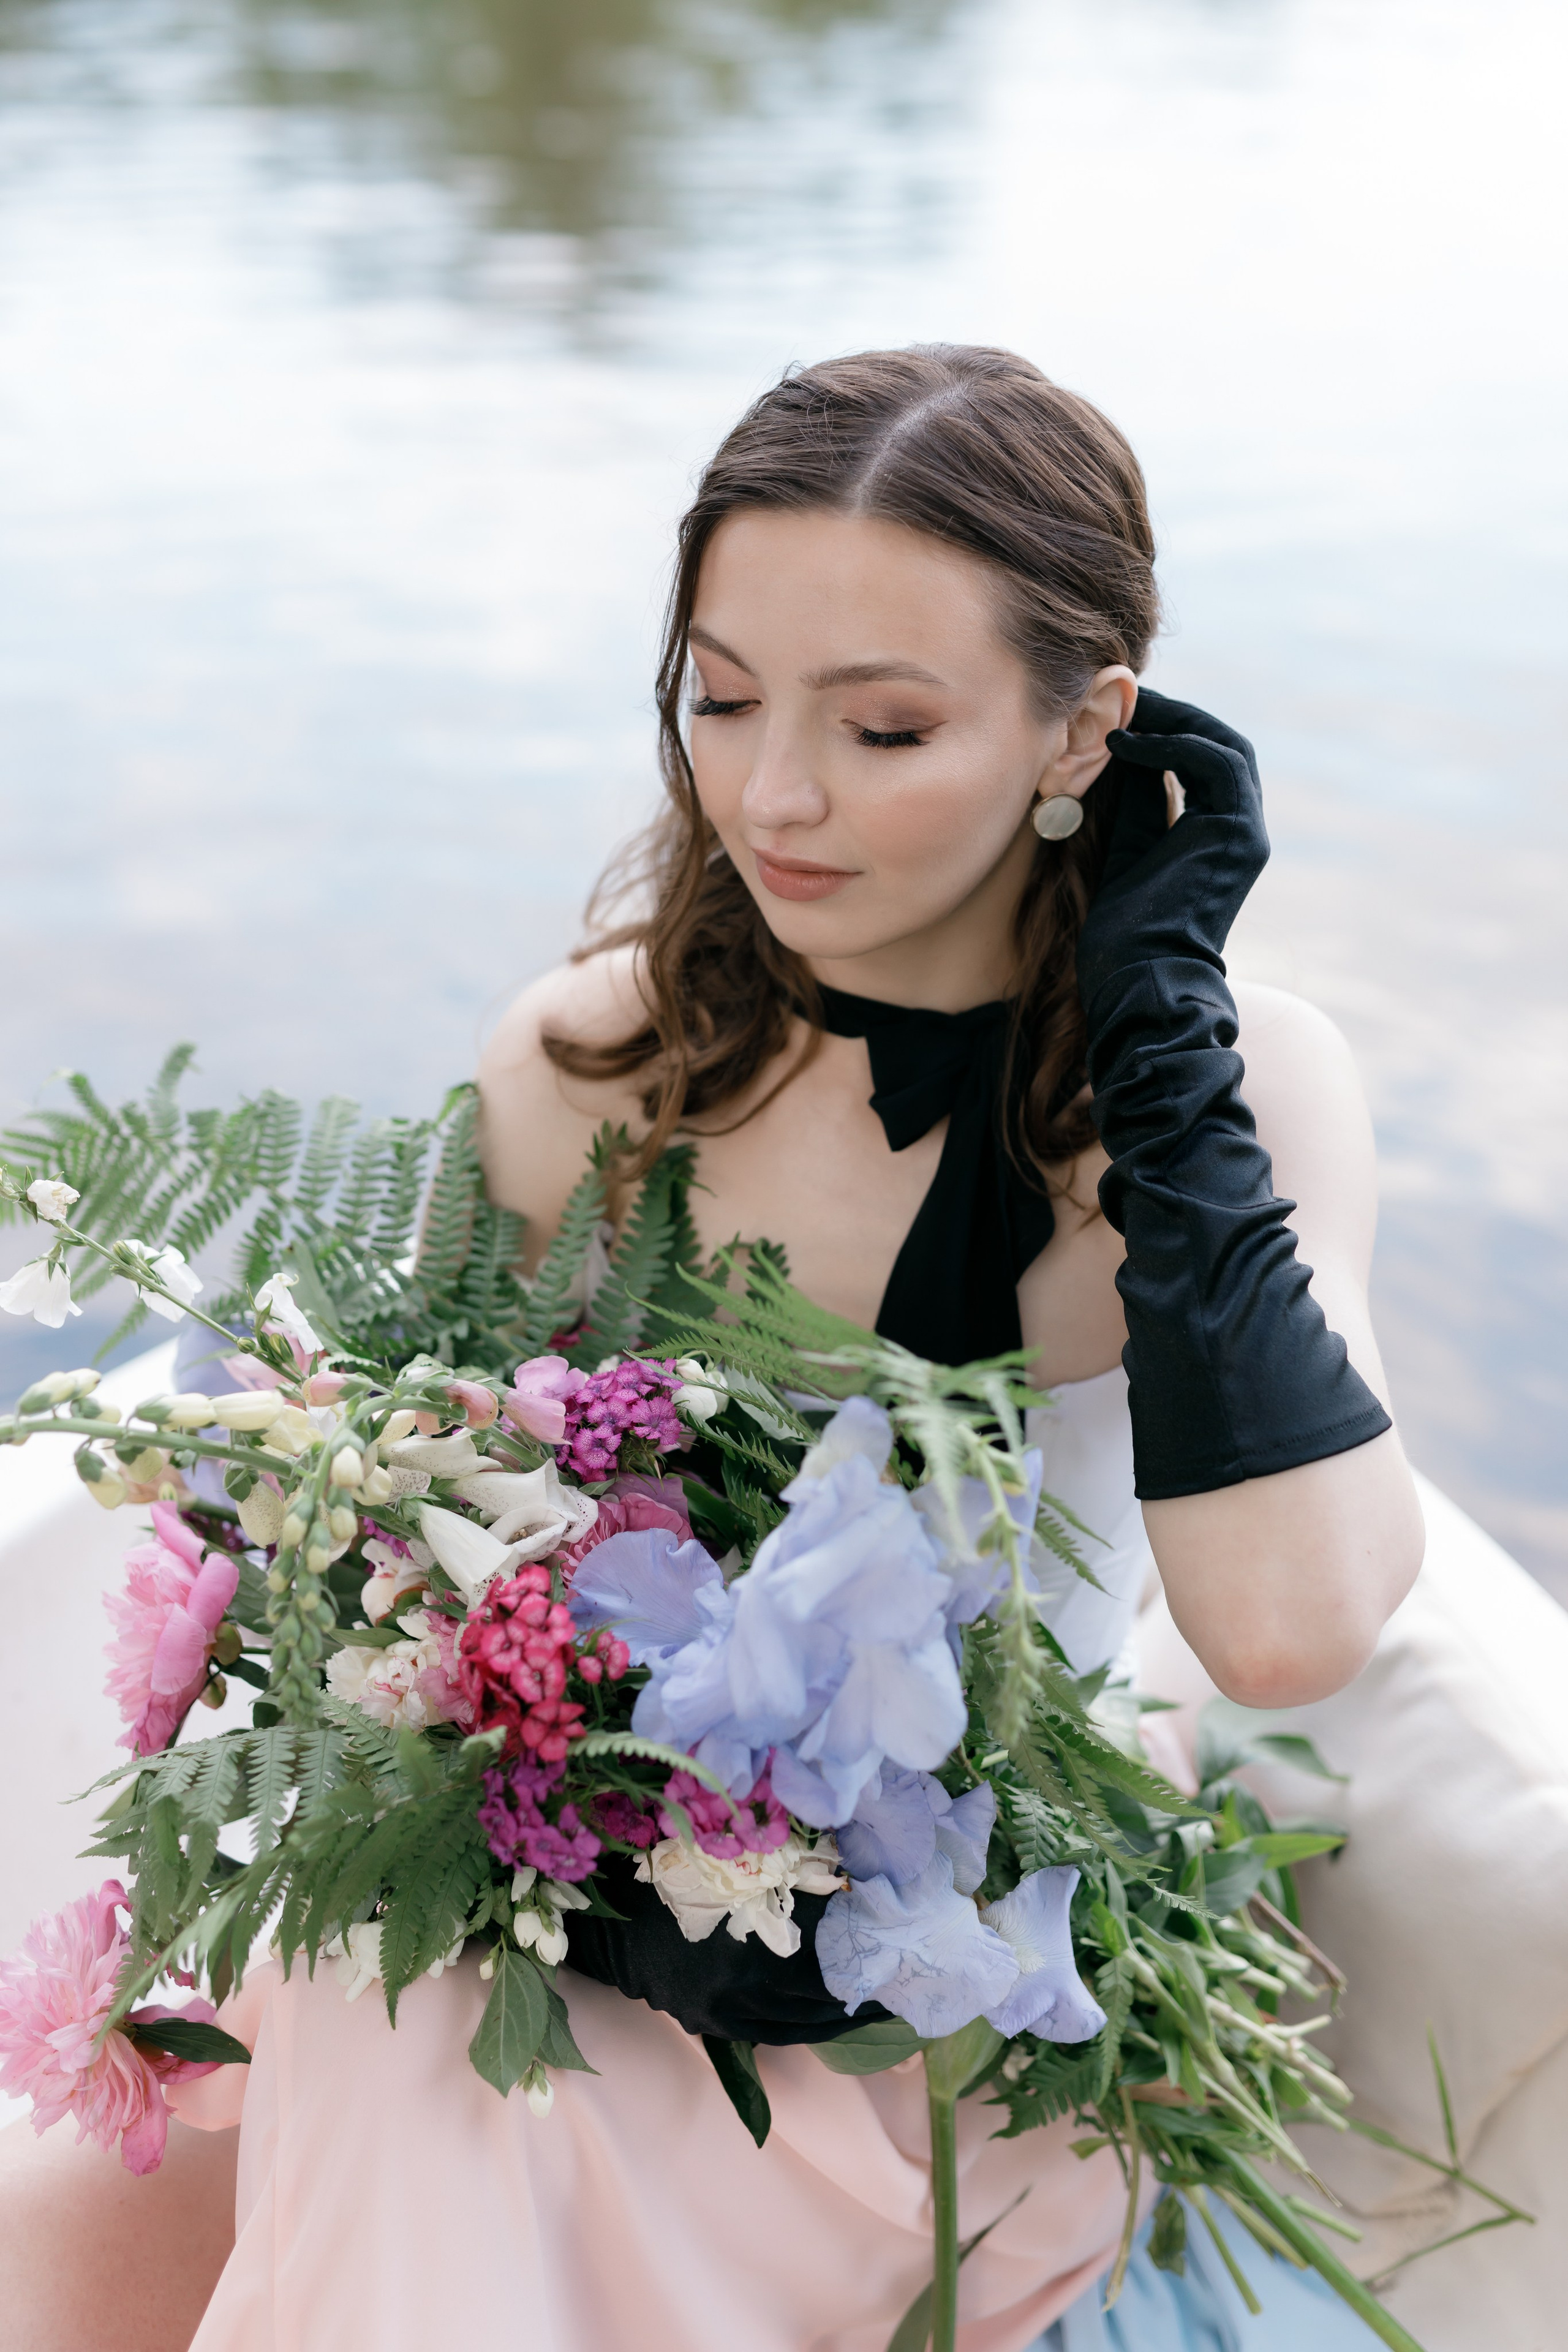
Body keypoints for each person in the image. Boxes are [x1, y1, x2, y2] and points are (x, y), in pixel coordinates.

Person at [0, 345, 1423, 2351]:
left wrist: (1159, 1024)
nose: (773, 793)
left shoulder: (1234, 1087)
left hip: (946, 1989)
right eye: (721, 698)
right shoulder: (588, 1067)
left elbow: (1287, 1631)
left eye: (888, 724)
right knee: (96, 2220)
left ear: (1082, 729)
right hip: (526, 1906)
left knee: (429, 2112)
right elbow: (424, 1524)